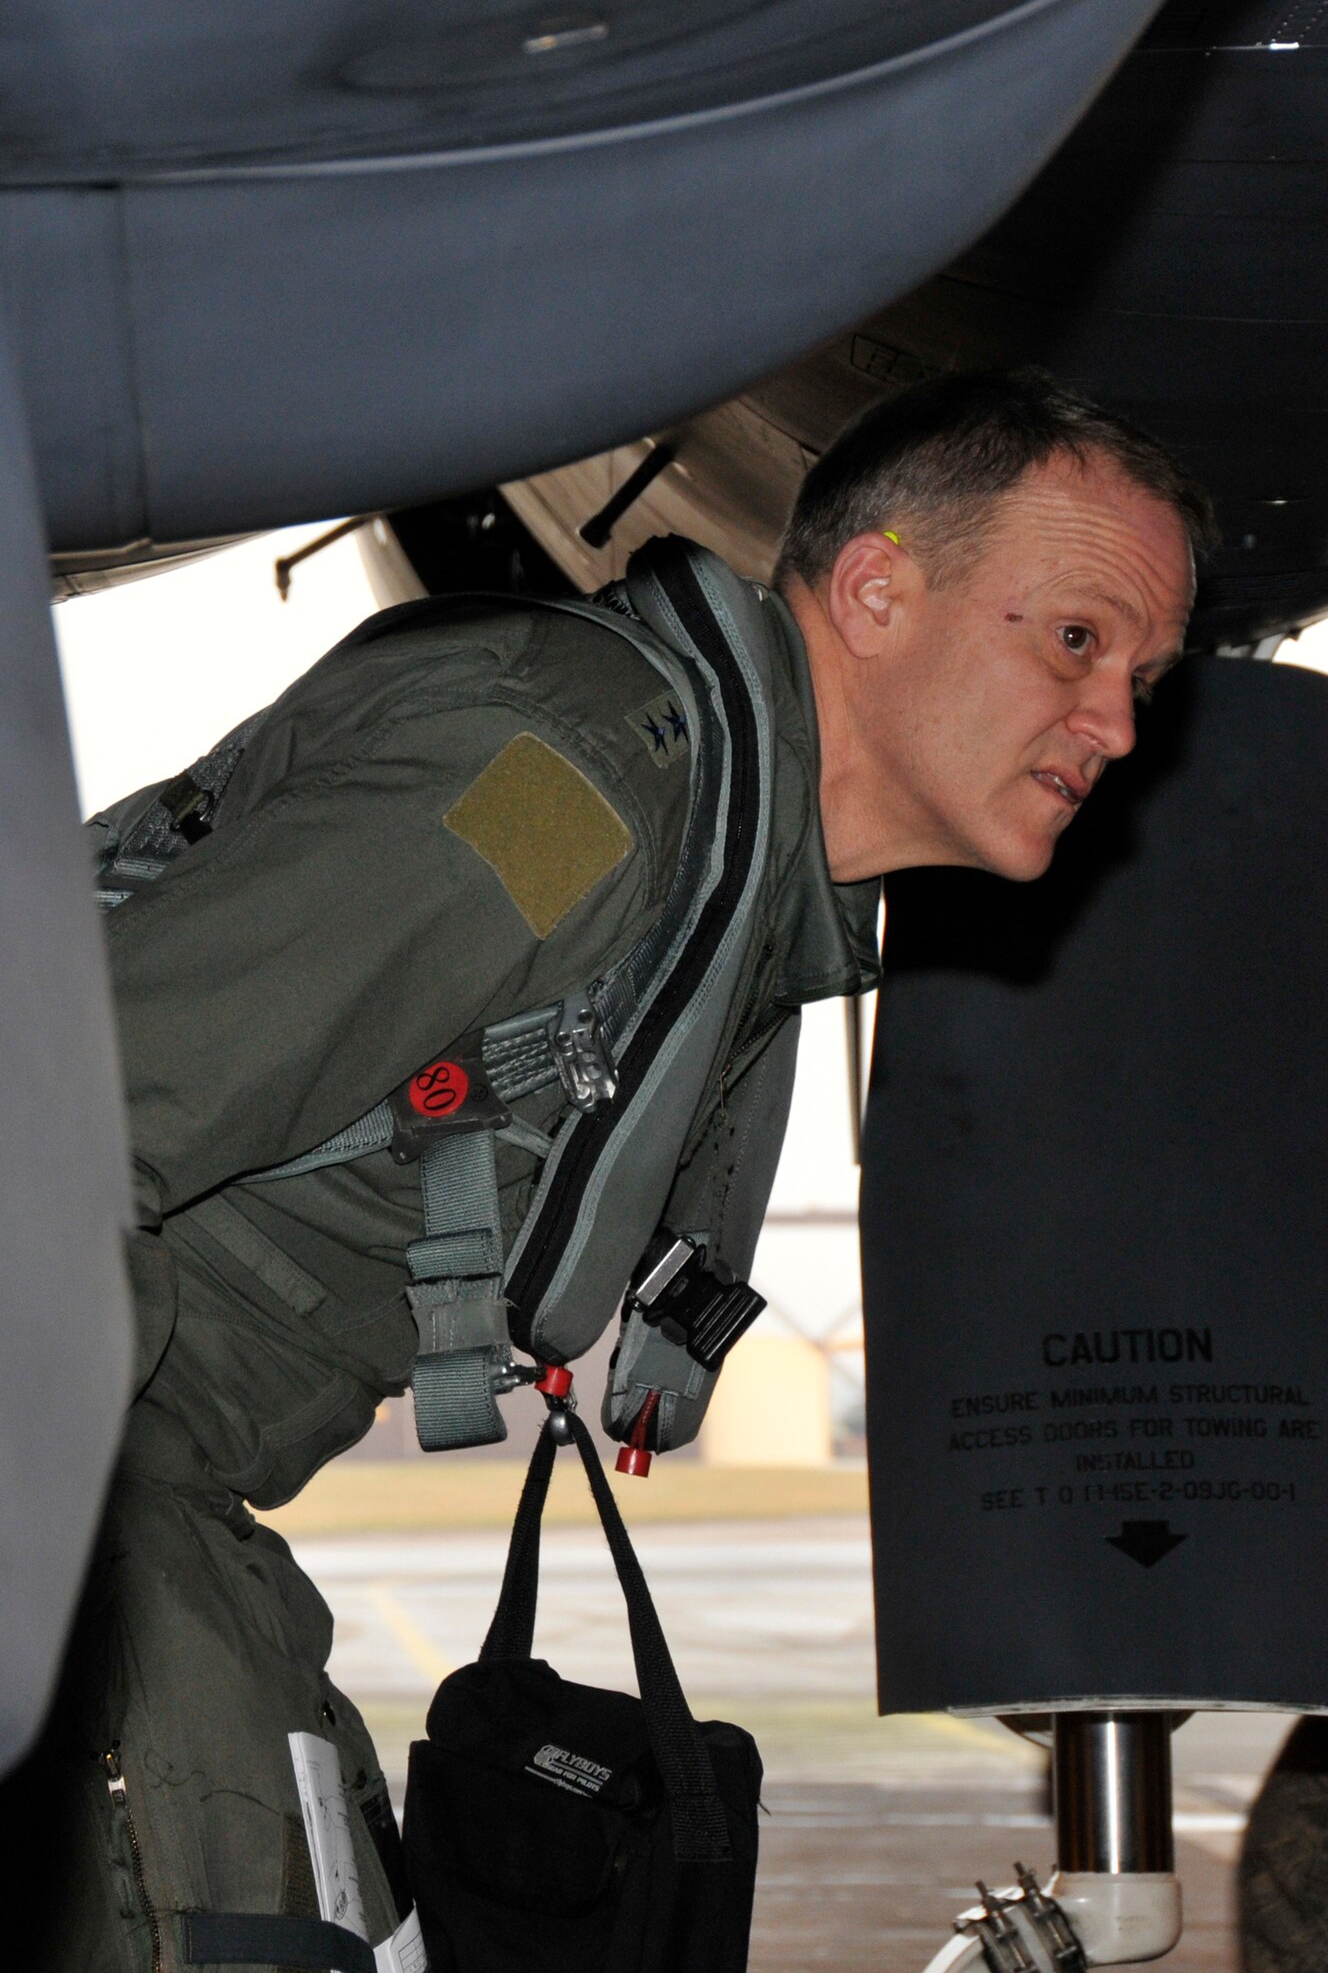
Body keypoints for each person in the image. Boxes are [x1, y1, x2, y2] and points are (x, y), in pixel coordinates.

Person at [6, 367, 1209, 1967]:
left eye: (1144, 673)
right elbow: (58, 1131)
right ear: (875, 590)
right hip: (84, 1483)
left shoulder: (742, 886)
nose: (1118, 723)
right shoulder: (572, 798)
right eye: (1074, 638)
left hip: (156, 1497)